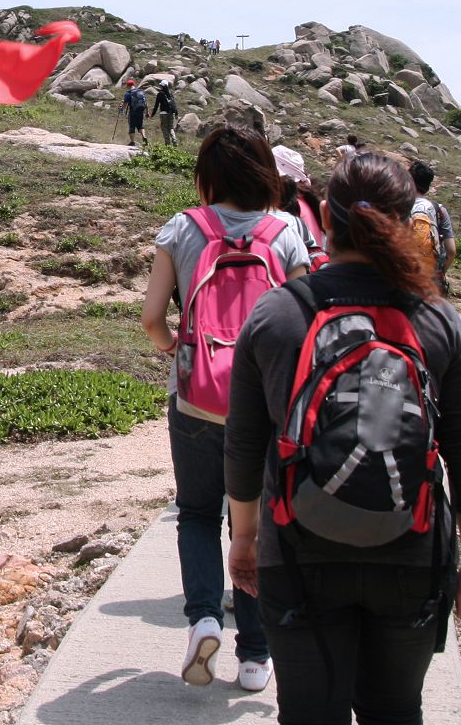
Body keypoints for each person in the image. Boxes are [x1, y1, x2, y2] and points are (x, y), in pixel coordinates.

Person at [225, 155, 461, 725]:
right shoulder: (439, 320)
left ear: (325, 215)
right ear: (407, 220)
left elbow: (244, 445)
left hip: (296, 548)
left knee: (309, 714)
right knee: (394, 711)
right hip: (412, 548)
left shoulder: (278, 313)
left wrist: (245, 537)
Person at [139, 126, 312, 693]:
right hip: (264, 403)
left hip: (196, 396)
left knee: (196, 513)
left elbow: (151, 319)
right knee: (254, 522)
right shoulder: (285, 230)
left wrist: (176, 349)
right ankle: (256, 656)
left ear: (206, 177)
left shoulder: (182, 228)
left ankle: (204, 620)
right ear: (264, 174)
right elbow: (306, 323)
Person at [409, 160, 457, 297]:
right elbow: (451, 251)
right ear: (428, 186)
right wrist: (440, 273)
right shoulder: (439, 210)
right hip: (429, 279)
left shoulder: (399, 205)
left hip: (404, 275)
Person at [121, 78, 149, 148]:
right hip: (141, 112)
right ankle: (144, 136)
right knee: (140, 126)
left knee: (132, 126)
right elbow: (145, 103)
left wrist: (121, 109)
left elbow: (124, 104)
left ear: (128, 86)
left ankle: (132, 142)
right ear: (134, 84)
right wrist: (147, 112)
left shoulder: (128, 93)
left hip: (133, 112)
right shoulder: (141, 92)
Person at [154, 79, 179, 146]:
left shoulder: (160, 94)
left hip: (163, 113)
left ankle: (167, 144)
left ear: (162, 86)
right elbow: (174, 104)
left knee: (164, 128)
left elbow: (156, 105)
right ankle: (174, 139)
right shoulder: (170, 93)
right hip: (171, 113)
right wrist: (176, 113)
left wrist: (152, 114)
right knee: (171, 128)